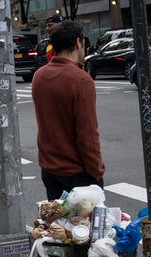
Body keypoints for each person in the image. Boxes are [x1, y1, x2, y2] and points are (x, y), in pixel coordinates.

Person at [31, 20, 105, 201]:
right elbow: (87, 133)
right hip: (77, 173)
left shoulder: (39, 76)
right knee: (83, 228)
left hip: (49, 169)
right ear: (78, 43)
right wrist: (96, 171)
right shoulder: (80, 80)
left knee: (57, 227)